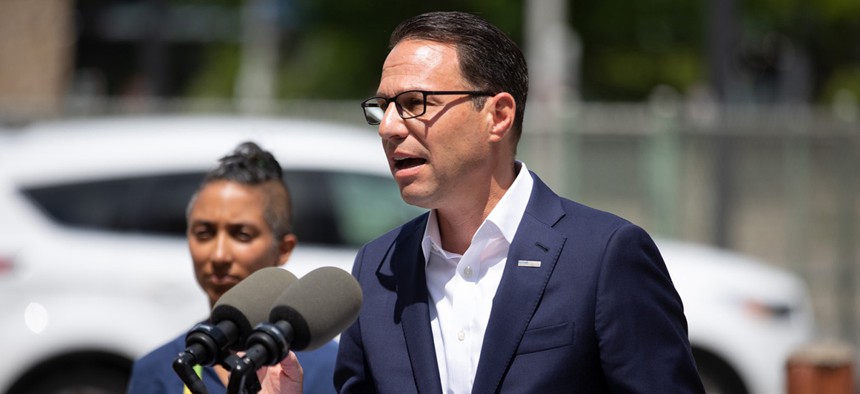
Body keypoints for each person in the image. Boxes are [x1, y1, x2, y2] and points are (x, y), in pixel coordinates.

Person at [328, 11, 706, 393]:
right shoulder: (377, 268)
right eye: (383, 106)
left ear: (498, 115)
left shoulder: (603, 256)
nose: (389, 127)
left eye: (414, 102)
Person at [127, 141, 338, 394]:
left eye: (242, 235)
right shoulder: (159, 371)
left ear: (284, 249)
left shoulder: (332, 371)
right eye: (204, 233)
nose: (218, 255)